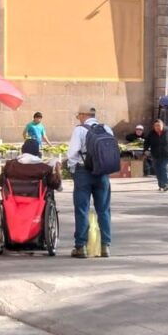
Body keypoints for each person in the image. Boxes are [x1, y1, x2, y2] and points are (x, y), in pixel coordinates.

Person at [67, 103, 113, 259]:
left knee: (82, 209)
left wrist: (73, 171)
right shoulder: (106, 128)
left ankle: (81, 247)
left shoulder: (79, 130)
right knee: (104, 209)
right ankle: (105, 246)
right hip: (102, 174)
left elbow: (72, 153)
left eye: (78, 115)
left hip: (83, 172)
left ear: (83, 115)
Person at [144, 119, 168, 192]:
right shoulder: (151, 133)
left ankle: (165, 185)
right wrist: (145, 150)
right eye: (156, 126)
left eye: (159, 125)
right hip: (155, 155)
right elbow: (146, 142)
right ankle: (161, 185)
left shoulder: (167, 132)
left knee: (164, 169)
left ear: (162, 125)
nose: (157, 127)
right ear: (154, 126)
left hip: (166, 154)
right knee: (158, 171)